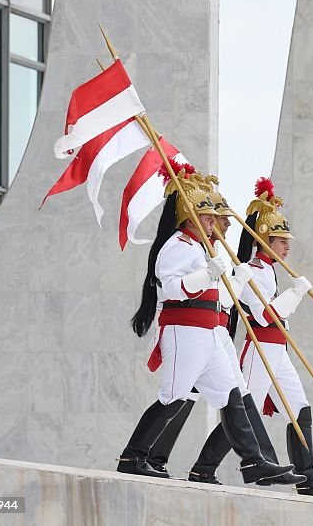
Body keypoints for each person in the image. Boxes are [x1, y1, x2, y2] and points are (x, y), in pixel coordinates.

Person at [116, 161, 298, 486]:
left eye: (213, 216)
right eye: (208, 216)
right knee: (173, 395)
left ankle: (253, 462)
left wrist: (233, 276)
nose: (214, 222)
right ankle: (134, 455)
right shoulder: (177, 246)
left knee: (235, 393)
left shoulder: (203, 249)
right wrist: (207, 274)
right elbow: (170, 285)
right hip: (184, 328)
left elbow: (223, 301)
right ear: (190, 216)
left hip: (210, 331)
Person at [188, 178, 313, 497]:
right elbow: (265, 314)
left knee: (300, 408)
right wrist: (296, 293)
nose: (287, 246)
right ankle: (203, 469)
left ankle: (308, 478)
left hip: (279, 349)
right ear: (265, 240)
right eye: (281, 240)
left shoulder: (269, 270)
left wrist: (292, 294)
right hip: (260, 348)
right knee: (244, 412)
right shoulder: (249, 268)